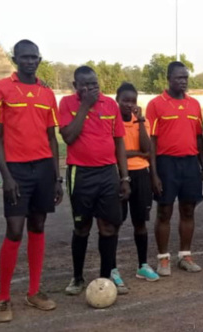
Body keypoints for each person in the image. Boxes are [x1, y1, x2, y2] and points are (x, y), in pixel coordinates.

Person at [0, 40, 63, 322]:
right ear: (15, 58)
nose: (30, 61)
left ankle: (33, 292)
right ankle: (4, 297)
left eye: (34, 57)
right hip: (16, 169)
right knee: (15, 229)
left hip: (43, 168)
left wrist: (56, 178)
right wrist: (5, 176)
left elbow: (51, 137)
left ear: (39, 60)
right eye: (24, 57)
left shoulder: (46, 92)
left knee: (38, 224)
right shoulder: (1, 88)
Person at [59, 66, 131, 295]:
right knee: (82, 227)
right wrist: (85, 106)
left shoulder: (110, 105)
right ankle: (77, 277)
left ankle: (104, 278)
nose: (91, 89)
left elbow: (119, 141)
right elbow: (69, 137)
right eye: (85, 85)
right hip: (80, 173)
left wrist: (125, 176)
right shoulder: (67, 104)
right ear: (75, 86)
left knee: (109, 227)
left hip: (108, 173)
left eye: (95, 84)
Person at [146, 61, 203, 275]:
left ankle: (185, 255)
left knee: (188, 209)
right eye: (178, 77)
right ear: (168, 79)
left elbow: (199, 138)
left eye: (186, 78)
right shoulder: (156, 104)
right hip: (166, 164)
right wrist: (153, 173)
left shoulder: (194, 105)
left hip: (190, 163)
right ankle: (163, 259)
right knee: (164, 211)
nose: (183, 81)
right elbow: (151, 141)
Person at [116, 82, 160, 281]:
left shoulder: (141, 120)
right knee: (115, 223)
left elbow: (147, 148)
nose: (129, 104)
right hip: (119, 175)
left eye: (132, 101)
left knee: (140, 222)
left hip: (141, 174)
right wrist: (138, 153)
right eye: (125, 100)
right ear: (117, 100)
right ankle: (112, 268)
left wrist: (140, 120)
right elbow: (117, 153)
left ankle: (142, 265)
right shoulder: (113, 121)